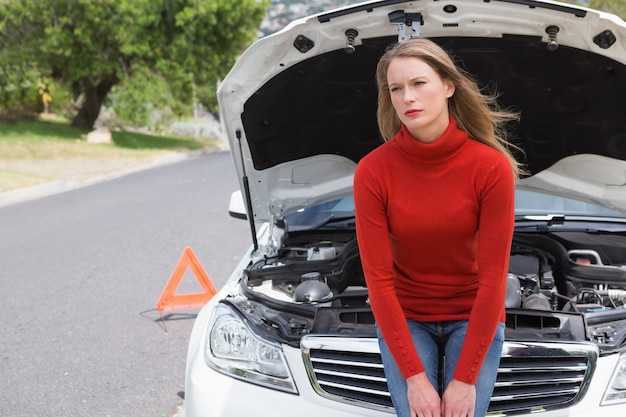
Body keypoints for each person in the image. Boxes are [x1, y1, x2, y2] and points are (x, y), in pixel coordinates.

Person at [353, 38, 522, 417]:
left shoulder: (490, 168)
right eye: (396, 88)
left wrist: (463, 383)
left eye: (418, 83)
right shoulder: (372, 172)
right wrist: (415, 381)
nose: (406, 97)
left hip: (473, 312)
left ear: (448, 86)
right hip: (406, 315)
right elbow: (378, 283)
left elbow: (494, 280)